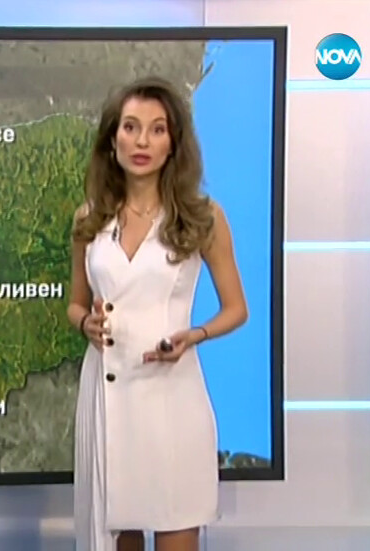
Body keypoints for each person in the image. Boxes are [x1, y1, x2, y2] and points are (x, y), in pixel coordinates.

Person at [67, 76, 249, 551]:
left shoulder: (202, 217)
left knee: (176, 526)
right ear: (113, 140)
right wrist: (85, 323)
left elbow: (237, 309)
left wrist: (194, 334)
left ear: (173, 144)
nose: (142, 141)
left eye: (157, 129)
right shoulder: (90, 218)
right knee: (116, 531)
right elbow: (75, 303)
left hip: (172, 398)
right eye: (130, 127)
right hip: (108, 397)